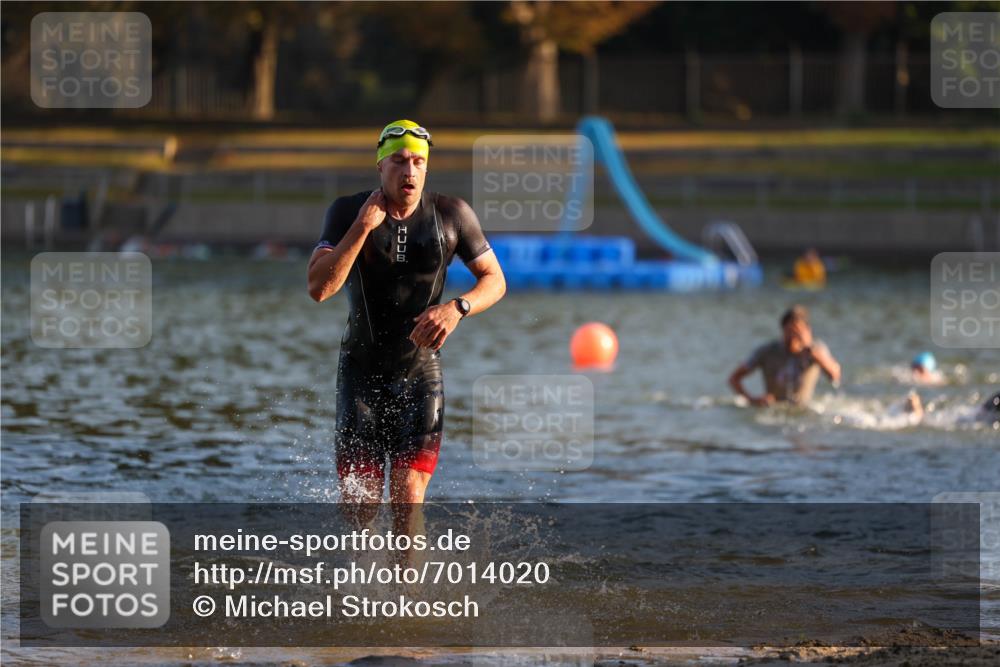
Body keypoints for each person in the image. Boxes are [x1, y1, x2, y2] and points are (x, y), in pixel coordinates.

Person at [307, 120, 506, 528]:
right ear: (380, 166)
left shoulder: (452, 214)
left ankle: (407, 593)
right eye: (398, 161)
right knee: (360, 507)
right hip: (361, 371)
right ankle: (360, 589)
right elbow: (319, 288)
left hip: (420, 374)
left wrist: (458, 308)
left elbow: (495, 280)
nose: (409, 171)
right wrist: (363, 227)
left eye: (418, 162)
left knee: (407, 498)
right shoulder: (347, 211)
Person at [728, 305, 841, 406]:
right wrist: (752, 400)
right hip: (774, 409)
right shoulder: (767, 351)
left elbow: (835, 376)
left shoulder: (816, 350)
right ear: (782, 330)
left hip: (803, 409)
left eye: (797, 332)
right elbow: (734, 378)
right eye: (789, 331)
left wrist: (810, 348)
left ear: (807, 331)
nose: (793, 337)